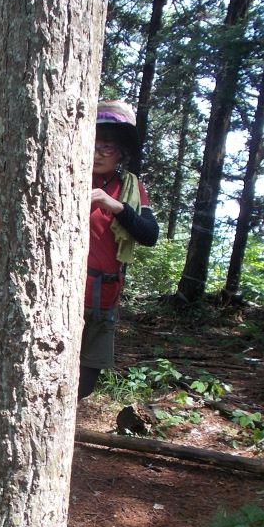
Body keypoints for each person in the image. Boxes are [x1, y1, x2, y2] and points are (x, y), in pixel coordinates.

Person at [78, 100, 159, 399]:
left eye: (107, 146)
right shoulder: (68, 174)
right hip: (62, 295)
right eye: (93, 143)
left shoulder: (130, 188)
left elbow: (149, 235)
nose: (97, 152)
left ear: (122, 151)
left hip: (101, 298)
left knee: (83, 385)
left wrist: (114, 206)